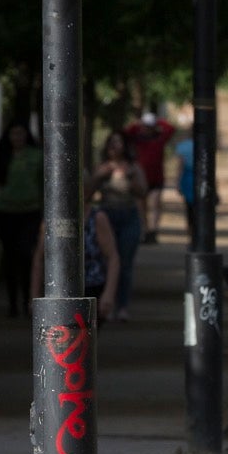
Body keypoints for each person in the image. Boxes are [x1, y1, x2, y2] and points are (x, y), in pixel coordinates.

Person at [87, 130, 147, 321]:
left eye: (119, 142)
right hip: (107, 217)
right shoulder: (102, 168)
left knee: (125, 262)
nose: (115, 146)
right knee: (107, 261)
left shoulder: (133, 168)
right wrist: (100, 176)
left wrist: (129, 178)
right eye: (111, 142)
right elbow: (87, 193)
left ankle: (122, 305)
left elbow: (143, 192)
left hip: (128, 216)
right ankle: (107, 301)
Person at [0, 122, 44, 319]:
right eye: (14, 133)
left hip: (30, 211)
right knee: (10, 256)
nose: (17, 138)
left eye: (21, 133)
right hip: (5, 211)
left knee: (26, 253)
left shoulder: (36, 156)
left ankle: (28, 298)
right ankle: (13, 303)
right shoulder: (0, 155)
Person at [30, 204, 120, 323]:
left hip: (91, 288)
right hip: (58, 290)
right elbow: (39, 259)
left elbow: (113, 257)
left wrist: (109, 293)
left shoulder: (97, 218)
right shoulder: (51, 220)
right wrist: (34, 296)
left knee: (84, 335)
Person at [125, 110, 174, 243]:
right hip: (141, 179)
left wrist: (157, 120)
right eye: (145, 126)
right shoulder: (137, 139)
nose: (146, 129)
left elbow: (170, 128)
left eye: (149, 126)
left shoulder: (159, 139)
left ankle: (153, 230)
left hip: (156, 178)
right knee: (142, 207)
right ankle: (145, 230)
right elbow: (127, 132)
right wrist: (139, 123)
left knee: (155, 204)